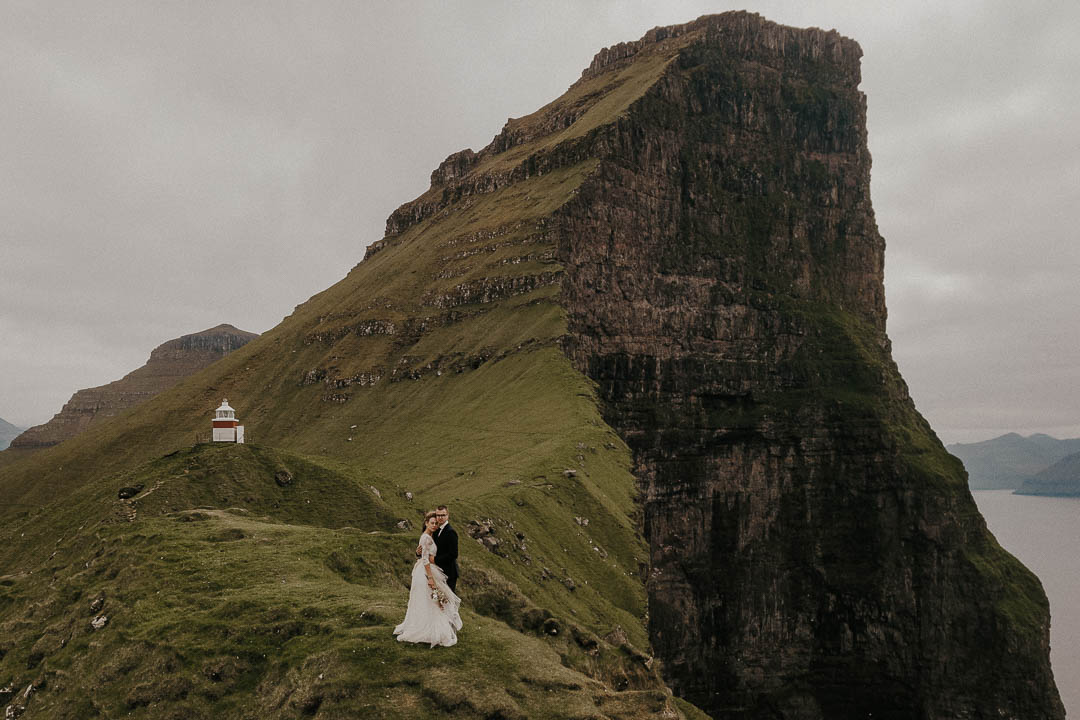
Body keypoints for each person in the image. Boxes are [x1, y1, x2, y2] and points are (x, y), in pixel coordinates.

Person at [393, 510, 462, 647]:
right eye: (432, 523)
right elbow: (425, 558)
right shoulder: (426, 536)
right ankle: (429, 626)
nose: (435, 525)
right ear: (426, 523)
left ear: (447, 516)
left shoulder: (441, 533)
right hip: (427, 572)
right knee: (432, 600)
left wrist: (429, 557)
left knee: (439, 599)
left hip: (440, 570)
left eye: (436, 523)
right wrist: (430, 577)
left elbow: (451, 554)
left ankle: (443, 626)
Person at [433, 505, 459, 593]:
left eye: (443, 515)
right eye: (438, 515)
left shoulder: (451, 532)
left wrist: (435, 560)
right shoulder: (436, 530)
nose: (440, 517)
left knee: (447, 600)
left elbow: (453, 554)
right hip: (439, 571)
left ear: (447, 515)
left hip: (449, 573)